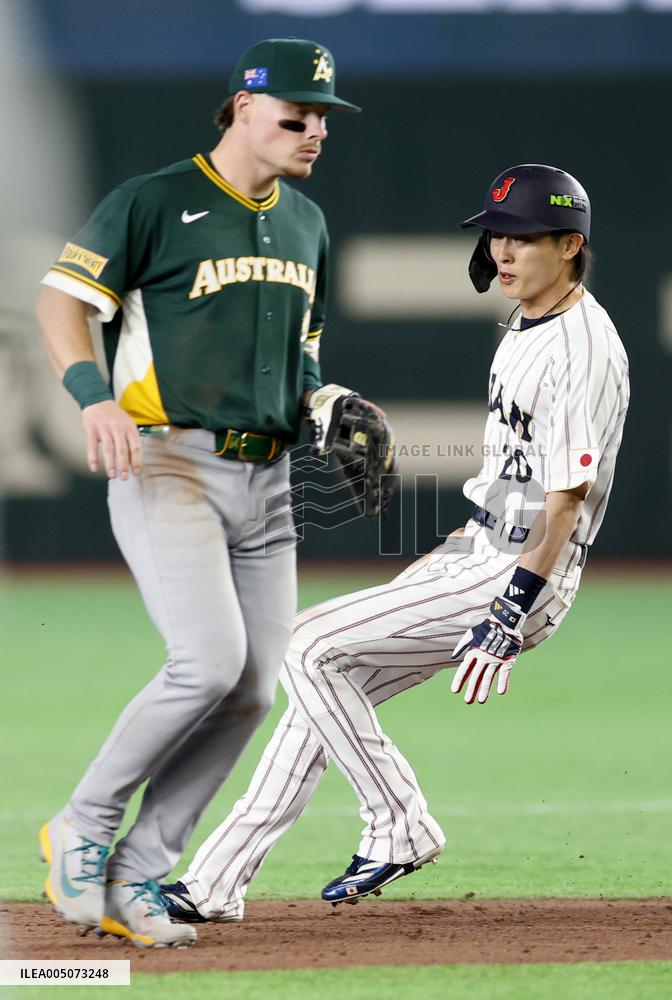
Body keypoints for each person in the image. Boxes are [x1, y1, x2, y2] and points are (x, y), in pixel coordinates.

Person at [160, 162, 630, 923]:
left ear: (571, 244)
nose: (502, 252)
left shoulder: (581, 349)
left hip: (519, 570)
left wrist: (509, 611)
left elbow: (566, 502)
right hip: (478, 551)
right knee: (320, 699)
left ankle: (401, 823)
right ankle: (212, 885)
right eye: (495, 235)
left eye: (523, 237)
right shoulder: (529, 322)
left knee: (305, 644)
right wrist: (449, 555)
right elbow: (512, 473)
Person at [35, 38, 362, 949]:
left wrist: (326, 403)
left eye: (324, 117)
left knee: (255, 686)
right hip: (166, 463)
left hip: (269, 480)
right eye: (297, 114)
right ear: (241, 109)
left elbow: (303, 353)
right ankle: (85, 827)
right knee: (207, 663)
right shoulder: (152, 200)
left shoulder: (306, 223)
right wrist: (91, 396)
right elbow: (62, 303)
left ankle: (139, 873)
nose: (314, 130)